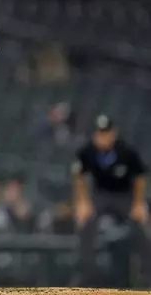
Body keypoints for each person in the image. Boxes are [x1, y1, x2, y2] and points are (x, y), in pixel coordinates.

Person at [72, 114, 151, 287]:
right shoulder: (88, 151)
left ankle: (148, 275)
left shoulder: (126, 151)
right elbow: (79, 176)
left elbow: (139, 178)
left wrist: (138, 204)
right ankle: (87, 274)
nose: (103, 137)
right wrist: (83, 202)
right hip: (101, 195)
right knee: (86, 224)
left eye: (106, 133)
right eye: (100, 133)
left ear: (114, 133)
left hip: (124, 196)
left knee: (140, 226)